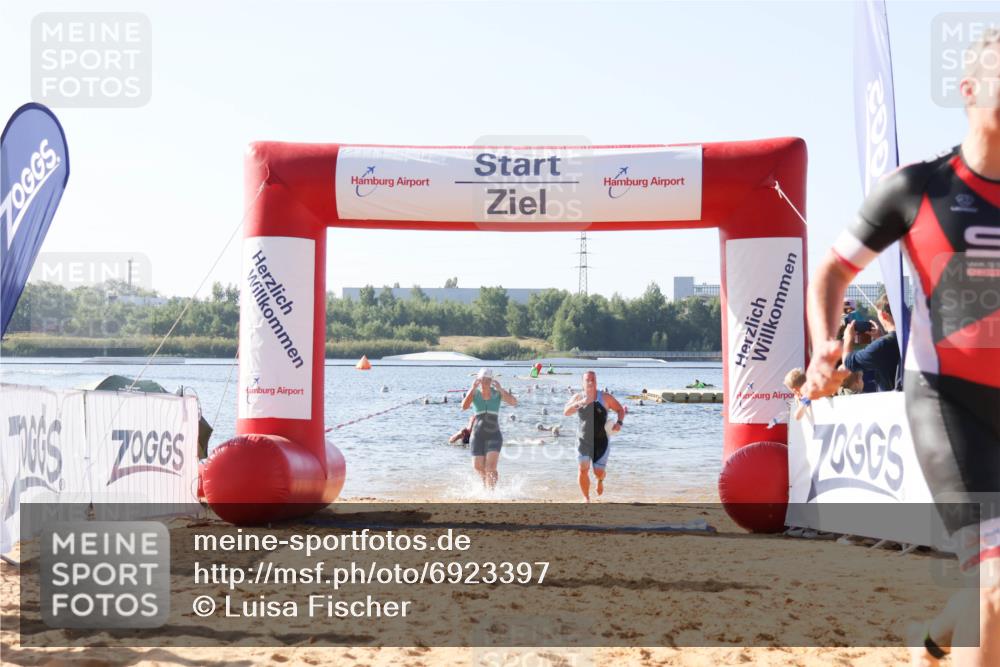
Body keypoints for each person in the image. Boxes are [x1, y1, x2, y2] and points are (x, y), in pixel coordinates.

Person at [802, 30, 1000, 667]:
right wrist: (825, 348)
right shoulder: (918, 189)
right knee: (999, 585)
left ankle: (937, 635)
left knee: (988, 593)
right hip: (950, 404)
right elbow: (833, 271)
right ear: (968, 90)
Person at [564, 371, 627, 502]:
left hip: (601, 441)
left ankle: (600, 480)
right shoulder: (577, 397)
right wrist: (582, 401)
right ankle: (586, 498)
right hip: (583, 440)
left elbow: (620, 410)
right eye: (588, 380)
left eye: (593, 379)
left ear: (597, 381)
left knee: (598, 472)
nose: (591, 382)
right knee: (583, 468)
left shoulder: (605, 397)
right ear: (582, 383)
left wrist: (619, 423)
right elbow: (566, 412)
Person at [461, 368, 517, 488]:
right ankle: (485, 486)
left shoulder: (497, 393)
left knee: (490, 468)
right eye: (482, 379)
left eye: (487, 380)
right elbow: (464, 407)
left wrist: (501, 389)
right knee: (477, 466)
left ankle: (491, 493)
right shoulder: (474, 393)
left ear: (491, 380)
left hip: (494, 435)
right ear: (478, 379)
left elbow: (513, 402)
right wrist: (472, 389)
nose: (484, 382)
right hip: (477, 435)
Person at [841, 293, 901, 392]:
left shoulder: (882, 345)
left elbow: (849, 363)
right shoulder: (911, 339)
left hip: (889, 402)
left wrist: (848, 339)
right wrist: (880, 338)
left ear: (883, 315)